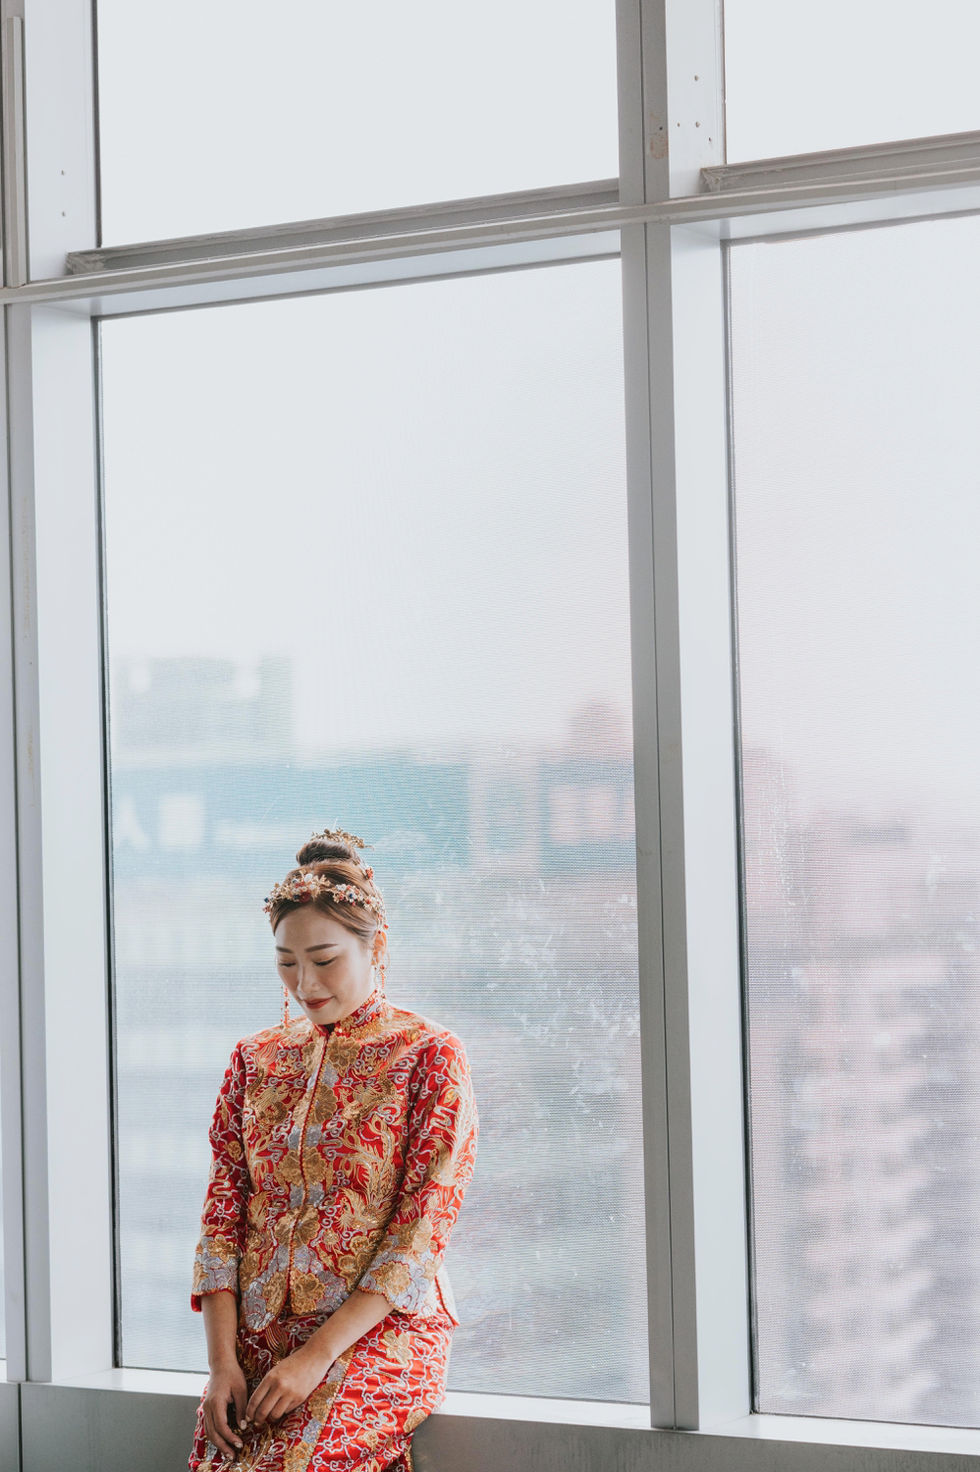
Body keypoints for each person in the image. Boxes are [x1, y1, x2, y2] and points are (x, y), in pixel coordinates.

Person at [187, 825, 480, 1472]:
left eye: (324, 960)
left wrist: (316, 1357)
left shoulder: (429, 1055)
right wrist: (221, 1364)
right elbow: (221, 1219)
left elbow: (421, 1232)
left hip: (381, 1335)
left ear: (376, 946)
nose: (305, 983)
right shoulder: (253, 1060)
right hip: (258, 1340)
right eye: (286, 962)